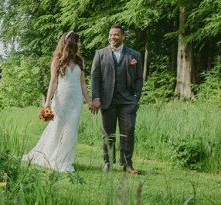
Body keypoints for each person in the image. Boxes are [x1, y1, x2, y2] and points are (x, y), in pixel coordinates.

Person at [22, 31, 94, 172]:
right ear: (72, 42)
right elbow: (53, 82)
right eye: (78, 41)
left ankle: (64, 159)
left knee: (71, 130)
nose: (80, 44)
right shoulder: (57, 60)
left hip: (76, 101)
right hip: (61, 100)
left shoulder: (80, 61)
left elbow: (83, 84)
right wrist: (48, 101)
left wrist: (88, 101)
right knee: (57, 129)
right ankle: (49, 157)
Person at [90, 24, 143, 174]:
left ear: (123, 37)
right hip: (107, 100)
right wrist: (96, 97)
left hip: (128, 101)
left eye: (116, 35)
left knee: (129, 130)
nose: (112, 37)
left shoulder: (134, 55)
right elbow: (95, 77)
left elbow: (139, 78)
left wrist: (136, 97)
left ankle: (127, 164)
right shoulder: (100, 54)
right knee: (108, 132)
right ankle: (108, 162)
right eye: (111, 34)